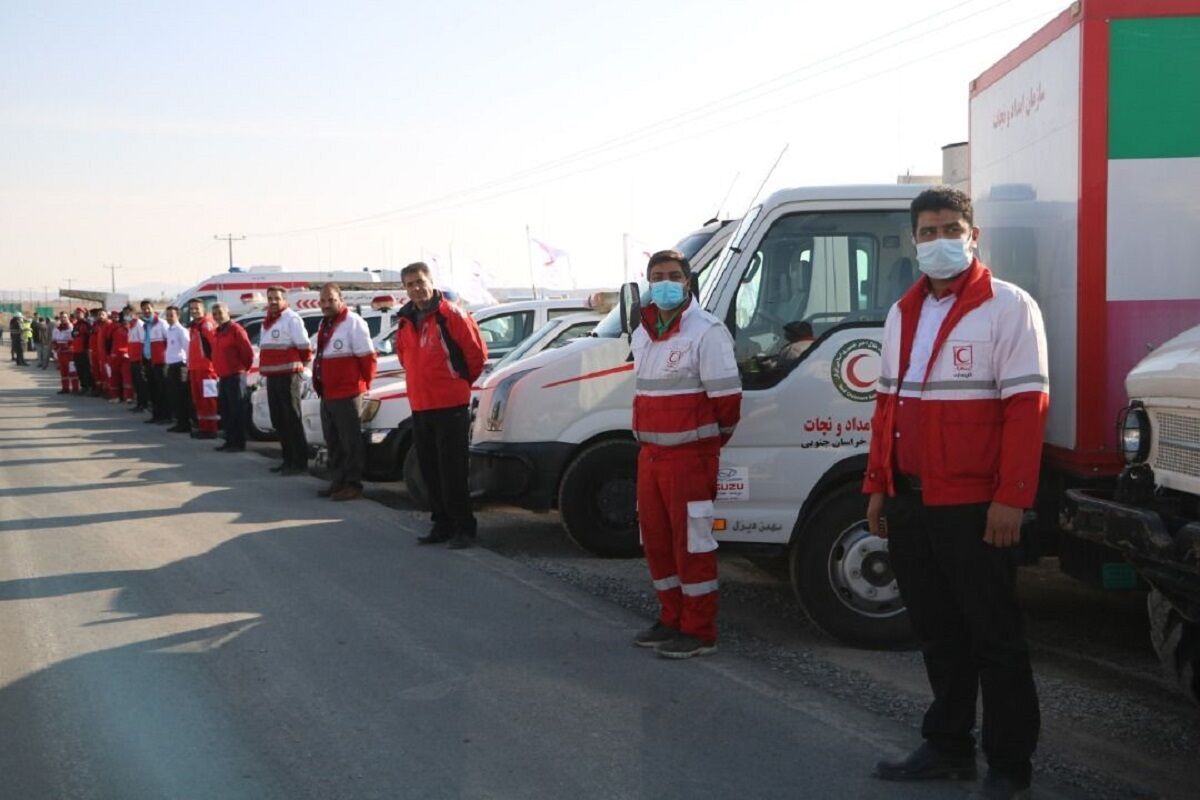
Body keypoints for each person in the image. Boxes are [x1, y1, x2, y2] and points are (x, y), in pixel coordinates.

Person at [864, 187, 1048, 800]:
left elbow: (1027, 410)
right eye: (926, 231)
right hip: (912, 500)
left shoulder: (1008, 307)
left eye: (949, 228)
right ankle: (948, 747)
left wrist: (1012, 498)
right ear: (913, 241)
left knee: (994, 635)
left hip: (975, 506)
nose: (938, 240)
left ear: (972, 236)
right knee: (938, 632)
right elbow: (886, 406)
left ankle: (1009, 766)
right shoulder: (901, 312)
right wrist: (878, 487)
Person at [630, 249, 742, 659]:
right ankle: (671, 618)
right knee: (657, 542)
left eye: (673, 275)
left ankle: (699, 630)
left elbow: (727, 402)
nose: (665, 281)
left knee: (692, 544)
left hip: (690, 458)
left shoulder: (706, 331)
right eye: (657, 275)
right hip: (651, 456)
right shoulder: (642, 332)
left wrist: (706, 443)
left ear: (688, 282)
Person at [394, 262, 487, 547]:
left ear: (431, 281)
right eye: (410, 284)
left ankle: (464, 527)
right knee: (430, 470)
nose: (416, 288)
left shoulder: (451, 314)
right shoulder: (406, 319)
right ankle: (442, 524)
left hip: (450, 404)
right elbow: (404, 357)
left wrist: (457, 382)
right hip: (421, 405)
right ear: (405, 289)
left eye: (420, 282)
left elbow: (476, 355)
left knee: (453, 471)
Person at [312, 283, 377, 501]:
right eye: (323, 300)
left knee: (350, 442)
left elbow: (368, 358)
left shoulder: (353, 323)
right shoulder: (326, 324)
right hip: (328, 393)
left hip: (347, 393)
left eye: (331, 300)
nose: (326, 304)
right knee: (333, 441)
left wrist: (362, 385)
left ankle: (353, 484)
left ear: (341, 299)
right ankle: (338, 481)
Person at [258, 286, 313, 475]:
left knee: (291, 418)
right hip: (273, 377)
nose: (273, 301)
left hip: (288, 376)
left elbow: (305, 347)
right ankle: (287, 459)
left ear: (284, 300)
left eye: (277, 298)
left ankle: (299, 462)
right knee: (279, 419)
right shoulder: (267, 321)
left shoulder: (291, 319)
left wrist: (300, 367)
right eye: (270, 298)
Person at [210, 302, 254, 452]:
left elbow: (247, 353)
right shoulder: (217, 332)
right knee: (226, 410)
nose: (217, 316)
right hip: (223, 376)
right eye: (214, 314)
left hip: (236, 376)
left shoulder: (236, 330)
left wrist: (241, 369)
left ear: (227, 312)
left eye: (220, 312)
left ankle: (238, 443)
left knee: (237, 410)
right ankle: (229, 441)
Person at [128, 300, 170, 422]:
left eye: (148, 308)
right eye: (144, 309)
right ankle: (156, 415)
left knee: (162, 390)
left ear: (153, 308)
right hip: (148, 361)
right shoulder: (146, 325)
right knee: (152, 389)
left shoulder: (162, 323)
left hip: (160, 362)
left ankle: (166, 416)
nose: (146, 311)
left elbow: (169, 342)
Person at [185, 298, 220, 440]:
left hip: (207, 369)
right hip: (195, 368)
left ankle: (211, 429)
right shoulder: (195, 326)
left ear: (203, 309)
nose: (194, 311)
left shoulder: (206, 325)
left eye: (196, 308)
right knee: (198, 399)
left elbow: (214, 346)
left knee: (208, 400)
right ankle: (203, 426)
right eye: (192, 309)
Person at [163, 305, 192, 433]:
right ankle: (179, 422)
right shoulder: (169, 330)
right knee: (174, 396)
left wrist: (187, 367)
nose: (169, 318)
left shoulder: (181, 330)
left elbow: (188, 349)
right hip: (171, 365)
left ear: (178, 316)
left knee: (181, 396)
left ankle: (184, 423)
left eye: (172, 315)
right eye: (167, 315)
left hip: (180, 365)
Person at [107, 307, 134, 404]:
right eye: (125, 315)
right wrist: (110, 354)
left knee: (127, 377)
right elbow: (108, 341)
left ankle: (128, 396)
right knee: (114, 376)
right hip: (115, 355)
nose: (126, 317)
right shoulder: (115, 328)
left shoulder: (134, 327)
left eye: (129, 315)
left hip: (127, 356)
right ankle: (115, 396)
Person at [52, 312, 77, 392]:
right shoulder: (57, 328)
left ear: (68, 318)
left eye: (65, 317)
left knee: (72, 371)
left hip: (69, 353)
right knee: (63, 371)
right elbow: (54, 340)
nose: (63, 319)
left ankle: (75, 388)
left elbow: (74, 339)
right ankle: (65, 388)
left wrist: (69, 347)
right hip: (60, 352)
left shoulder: (71, 327)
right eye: (62, 317)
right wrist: (56, 349)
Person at [89, 309, 111, 398]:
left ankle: (108, 390)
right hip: (95, 352)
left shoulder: (109, 325)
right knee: (96, 371)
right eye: (99, 315)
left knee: (106, 372)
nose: (100, 316)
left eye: (102, 314)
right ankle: (99, 388)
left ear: (106, 315)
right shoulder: (96, 326)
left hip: (104, 353)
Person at [70, 308, 91, 389]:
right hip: (76, 350)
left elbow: (89, 336)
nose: (77, 314)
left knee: (85, 369)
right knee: (79, 369)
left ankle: (88, 386)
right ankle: (83, 386)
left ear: (83, 314)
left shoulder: (86, 324)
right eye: (76, 313)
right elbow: (73, 335)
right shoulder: (76, 324)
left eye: (79, 313)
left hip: (84, 350)